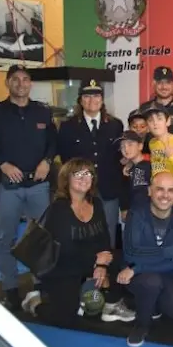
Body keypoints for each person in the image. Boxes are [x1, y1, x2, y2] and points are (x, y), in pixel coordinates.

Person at [0, 64, 56, 309]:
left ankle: (41, 284)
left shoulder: (42, 111)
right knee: (6, 238)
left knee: (42, 237)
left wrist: (47, 161)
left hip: (38, 186)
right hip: (8, 186)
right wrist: (2, 164)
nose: (21, 84)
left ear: (31, 83)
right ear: (8, 83)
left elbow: (53, 141)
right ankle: (10, 289)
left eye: (25, 79)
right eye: (16, 79)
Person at [20, 158, 134, 326]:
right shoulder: (59, 209)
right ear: (67, 179)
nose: (83, 178)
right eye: (78, 174)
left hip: (91, 261)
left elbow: (103, 238)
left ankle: (110, 304)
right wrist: (95, 261)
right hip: (62, 266)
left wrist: (102, 266)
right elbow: (65, 250)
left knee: (118, 258)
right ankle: (34, 303)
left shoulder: (96, 203)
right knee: (65, 316)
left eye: (88, 174)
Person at [119, 172, 173, 347]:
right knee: (151, 282)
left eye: (170, 190)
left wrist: (137, 268)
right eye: (160, 189)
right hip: (142, 276)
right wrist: (167, 252)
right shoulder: (136, 214)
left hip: (167, 274)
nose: (165, 195)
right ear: (150, 191)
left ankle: (154, 302)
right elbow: (130, 254)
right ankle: (142, 324)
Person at [57, 79, 125, 247]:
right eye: (87, 96)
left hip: (109, 190)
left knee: (108, 233)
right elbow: (67, 160)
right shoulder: (68, 126)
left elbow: (119, 159)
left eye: (96, 96)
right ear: (80, 100)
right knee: (81, 232)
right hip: (81, 190)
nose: (92, 100)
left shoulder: (115, 125)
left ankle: (105, 270)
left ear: (102, 100)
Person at [139, 66, 173, 135]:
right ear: (154, 84)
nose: (164, 87)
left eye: (168, 83)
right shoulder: (144, 108)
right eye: (160, 82)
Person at [117, 130, 152, 219]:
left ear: (140, 146)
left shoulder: (149, 166)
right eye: (122, 146)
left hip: (147, 216)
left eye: (130, 144)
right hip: (132, 215)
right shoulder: (126, 169)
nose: (126, 149)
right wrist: (124, 208)